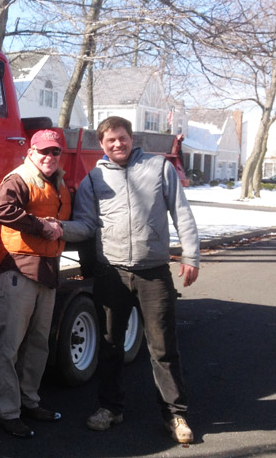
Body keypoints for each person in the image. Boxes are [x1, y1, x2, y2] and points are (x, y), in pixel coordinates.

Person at [61, 116, 199, 444]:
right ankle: (110, 408)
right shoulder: (93, 179)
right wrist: (56, 228)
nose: (117, 144)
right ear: (102, 144)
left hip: (153, 272)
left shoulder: (158, 168)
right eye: (110, 141)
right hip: (113, 272)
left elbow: (182, 213)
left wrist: (191, 255)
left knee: (163, 346)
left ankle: (174, 414)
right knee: (110, 345)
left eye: (121, 138)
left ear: (131, 137)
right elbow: (85, 223)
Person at [0, 129, 71, 438]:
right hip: (18, 271)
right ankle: (7, 412)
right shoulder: (19, 178)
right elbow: (0, 210)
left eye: (55, 152)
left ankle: (29, 401)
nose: (49, 157)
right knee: (11, 346)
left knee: (38, 344)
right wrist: (40, 227)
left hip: (48, 270)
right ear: (31, 152)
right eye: (44, 152)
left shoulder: (59, 182)